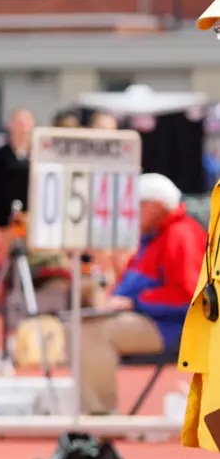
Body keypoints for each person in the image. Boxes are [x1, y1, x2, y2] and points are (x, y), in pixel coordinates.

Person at [79, 173, 203, 415]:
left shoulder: (179, 235)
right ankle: (88, 409)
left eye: (137, 206)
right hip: (150, 320)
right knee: (80, 323)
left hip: (172, 328)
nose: (131, 214)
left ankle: (101, 415)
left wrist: (135, 302)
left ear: (156, 206)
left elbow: (189, 298)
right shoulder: (153, 237)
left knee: (94, 331)